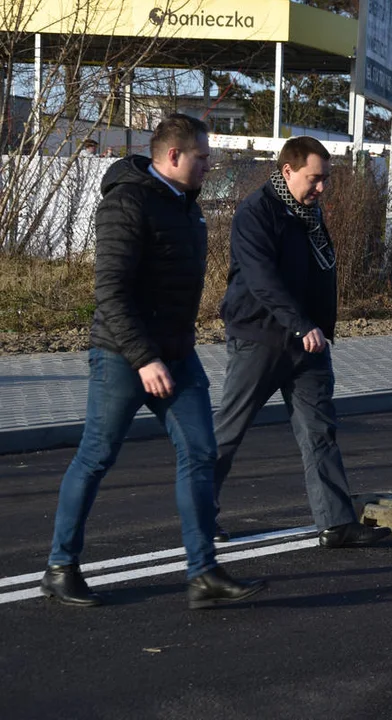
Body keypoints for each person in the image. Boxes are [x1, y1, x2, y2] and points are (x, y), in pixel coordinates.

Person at [42, 114, 266, 610]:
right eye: (203, 157)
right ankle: (60, 566)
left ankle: (203, 574)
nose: (210, 165)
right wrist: (144, 358)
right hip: (124, 356)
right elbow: (111, 292)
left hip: (177, 354)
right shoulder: (128, 202)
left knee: (201, 453)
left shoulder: (186, 205)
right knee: (97, 456)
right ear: (173, 156)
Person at [213, 136, 390, 549]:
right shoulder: (256, 212)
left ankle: (336, 523)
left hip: (307, 342)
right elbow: (261, 279)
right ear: (288, 171)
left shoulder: (307, 213)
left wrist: (318, 327)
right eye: (315, 178)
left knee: (319, 431)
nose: (322, 187)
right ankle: (199, 515)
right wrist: (299, 323)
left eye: (325, 179)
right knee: (229, 431)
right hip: (260, 339)